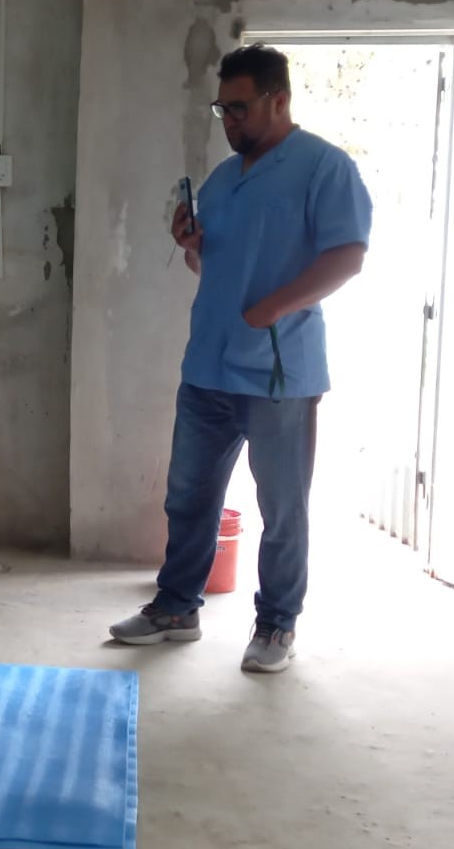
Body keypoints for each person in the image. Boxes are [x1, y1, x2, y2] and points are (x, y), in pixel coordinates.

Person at [108, 44, 373, 673]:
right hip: (209, 367)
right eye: (221, 108)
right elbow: (213, 265)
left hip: (279, 374)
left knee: (282, 508)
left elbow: (348, 257)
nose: (228, 120)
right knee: (188, 497)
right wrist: (189, 244)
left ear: (279, 100)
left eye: (240, 107)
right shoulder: (224, 180)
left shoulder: (325, 168)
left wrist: (273, 307)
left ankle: (277, 624)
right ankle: (177, 608)